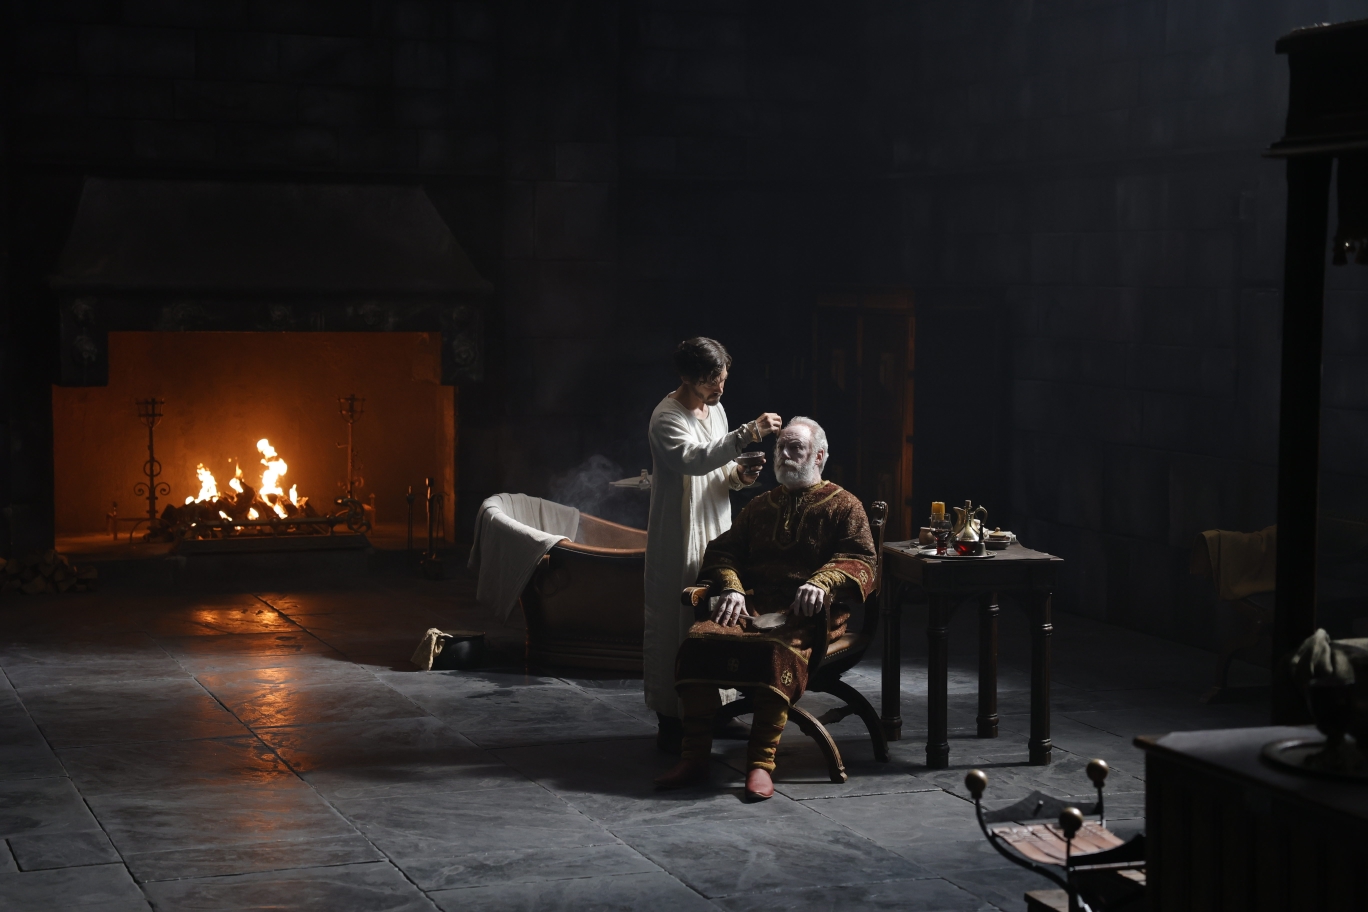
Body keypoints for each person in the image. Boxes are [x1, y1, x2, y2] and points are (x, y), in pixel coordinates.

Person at [653, 416, 876, 800]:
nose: (784, 455)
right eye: (780, 448)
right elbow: (723, 552)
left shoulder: (844, 505)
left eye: (795, 448)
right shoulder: (760, 505)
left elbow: (862, 561)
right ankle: (694, 758)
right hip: (755, 607)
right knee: (697, 642)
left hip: (811, 616)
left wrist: (822, 582)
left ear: (818, 455)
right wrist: (733, 588)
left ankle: (760, 764)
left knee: (775, 652)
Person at [645, 337, 782, 753]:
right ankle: (674, 717)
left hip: (716, 525)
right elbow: (694, 460)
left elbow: (718, 471)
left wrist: (741, 476)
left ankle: (715, 711)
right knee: (677, 619)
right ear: (688, 378)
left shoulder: (716, 409)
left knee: (719, 610)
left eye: (722, 379)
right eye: (711, 381)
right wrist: (748, 433)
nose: (720, 389)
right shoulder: (666, 417)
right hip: (680, 530)